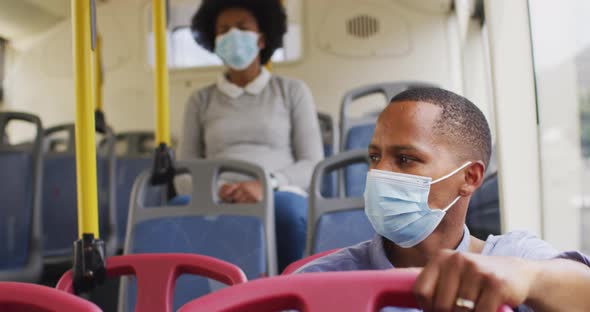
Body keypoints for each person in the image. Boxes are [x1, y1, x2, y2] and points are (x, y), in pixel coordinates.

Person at [296, 88, 590, 311]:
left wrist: (527, 278)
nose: (378, 173)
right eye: (375, 157)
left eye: (405, 159)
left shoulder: (512, 257)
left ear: (470, 178)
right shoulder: (321, 280)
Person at [178, 0, 323, 271]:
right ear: (214, 40)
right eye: (223, 30)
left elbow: (312, 163)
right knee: (176, 211)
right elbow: (183, 170)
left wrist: (266, 185)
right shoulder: (200, 100)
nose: (232, 35)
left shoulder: (292, 91)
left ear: (262, 39)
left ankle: (291, 295)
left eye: (242, 27)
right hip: (215, 193)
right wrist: (214, 190)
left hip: (278, 190)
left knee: (289, 214)